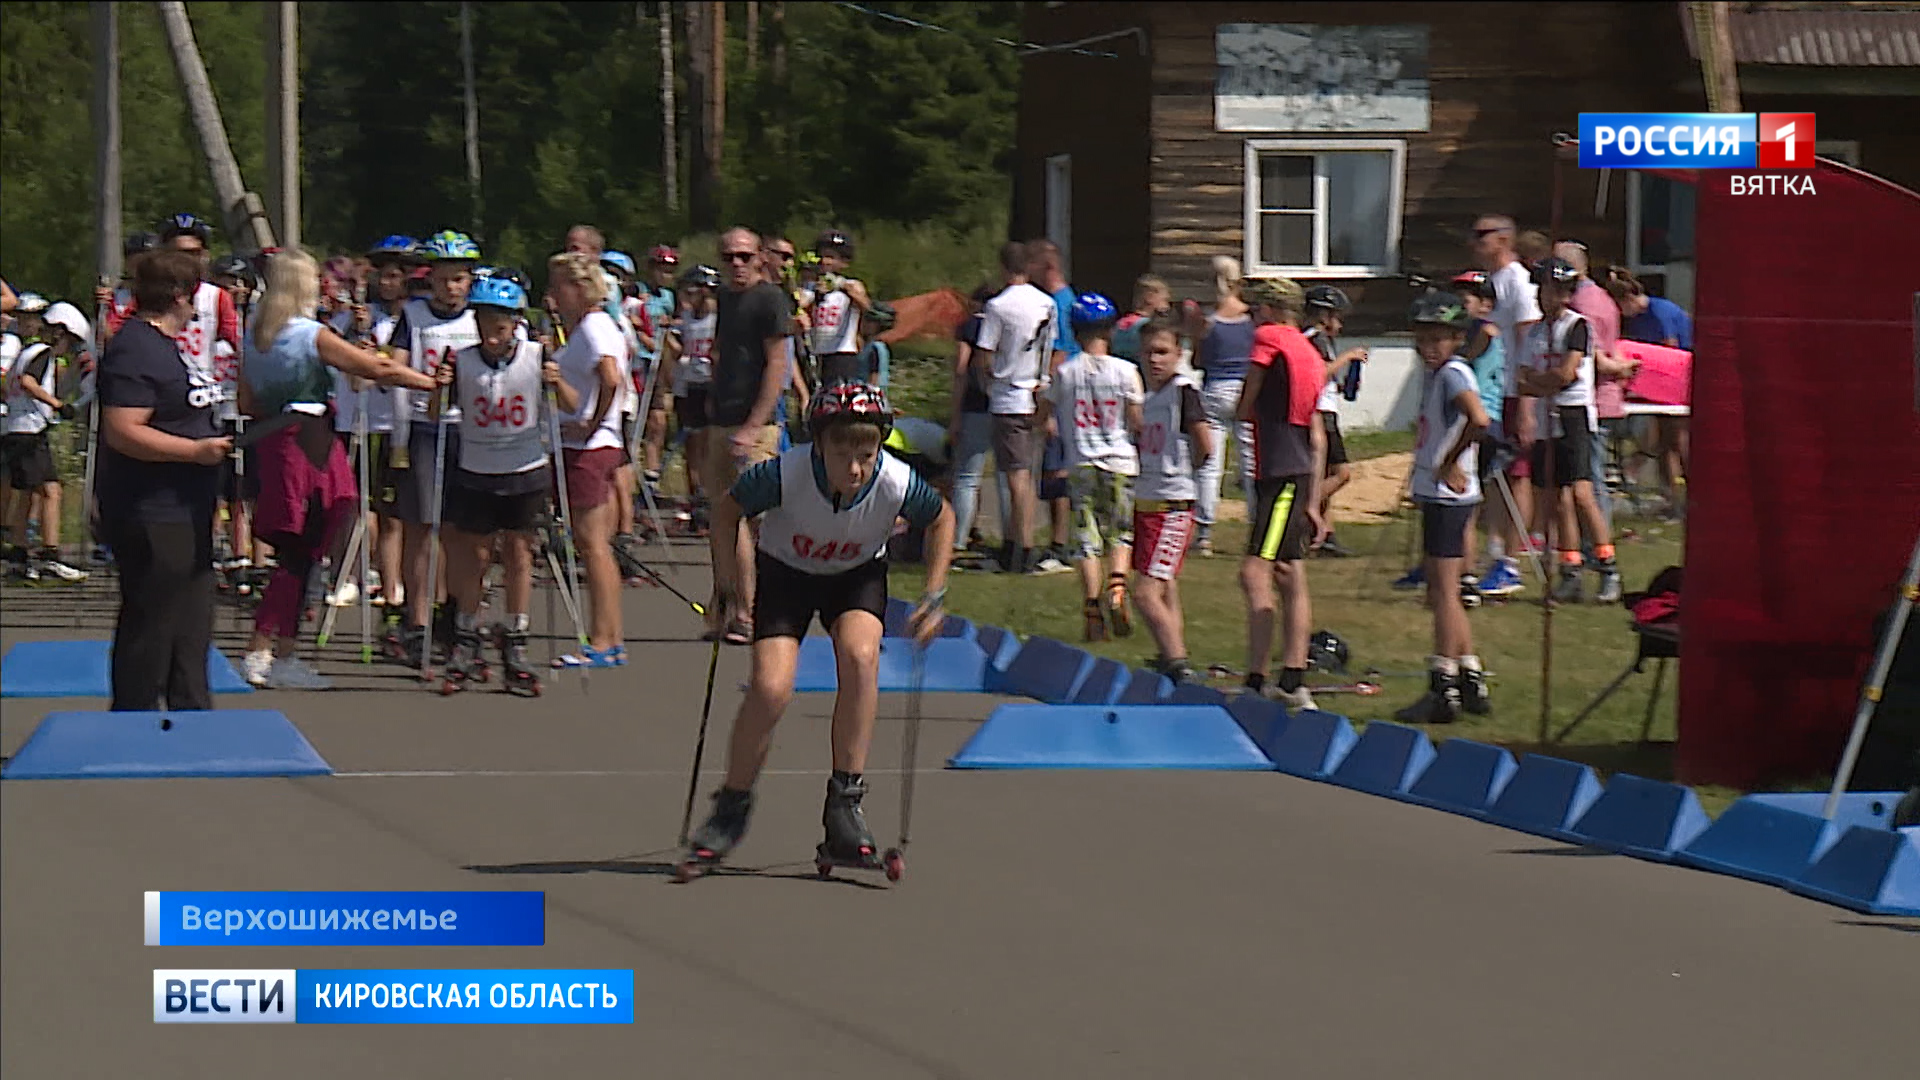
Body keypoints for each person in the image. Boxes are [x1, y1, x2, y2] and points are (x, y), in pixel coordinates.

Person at [681, 381, 954, 873]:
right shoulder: (784, 474)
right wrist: (725, 584)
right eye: (841, 450)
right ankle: (730, 808)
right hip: (787, 576)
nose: (855, 467)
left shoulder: (894, 480)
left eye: (866, 452)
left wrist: (934, 594)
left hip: (856, 577)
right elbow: (727, 510)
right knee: (770, 688)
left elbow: (942, 519)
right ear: (818, 445)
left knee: (860, 656)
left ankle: (845, 806)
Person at [239, 250, 434, 688]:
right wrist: (432, 382)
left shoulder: (255, 335)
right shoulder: (310, 334)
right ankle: (262, 648)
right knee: (301, 549)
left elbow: (245, 402)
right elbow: (375, 368)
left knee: (303, 549)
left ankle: (281, 650)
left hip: (274, 436)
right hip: (308, 438)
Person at [95, 249, 235, 711]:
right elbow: (123, 430)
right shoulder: (136, 346)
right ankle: (133, 712)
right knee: (152, 616)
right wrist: (194, 452)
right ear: (179, 296)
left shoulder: (169, 346)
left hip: (188, 504)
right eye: (196, 291)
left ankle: (190, 708)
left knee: (192, 618)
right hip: (152, 507)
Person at [431, 274, 566, 695]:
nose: (493, 332)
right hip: (477, 468)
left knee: (519, 554)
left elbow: (572, 405)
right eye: (486, 322)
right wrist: (439, 386)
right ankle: (466, 635)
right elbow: (436, 412)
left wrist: (556, 382)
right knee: (476, 555)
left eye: (502, 324)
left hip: (525, 469)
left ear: (516, 324)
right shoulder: (462, 360)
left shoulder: (536, 356)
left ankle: (516, 636)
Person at [1393, 294, 1493, 725]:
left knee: (1443, 594)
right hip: (1437, 493)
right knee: (1443, 590)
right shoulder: (1437, 375)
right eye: (1422, 339)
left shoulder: (1453, 373)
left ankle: (1442, 682)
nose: (1428, 347)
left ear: (1456, 339)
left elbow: (1480, 420)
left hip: (1448, 496)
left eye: (1438, 339)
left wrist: (1450, 462)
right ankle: (1470, 675)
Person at [386, 230, 484, 666]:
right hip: (426, 427)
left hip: (474, 431)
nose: (452, 287)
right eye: (444, 278)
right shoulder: (414, 315)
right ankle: (417, 617)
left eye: (460, 279)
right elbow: (395, 364)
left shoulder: (481, 317)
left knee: (461, 530)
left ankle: (456, 613)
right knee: (421, 526)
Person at [1237, 276, 1328, 710]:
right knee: (1291, 573)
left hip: (1278, 471)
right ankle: (1293, 677)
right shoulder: (1308, 351)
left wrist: (1238, 412)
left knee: (1255, 572)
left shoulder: (1269, 338)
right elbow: (1316, 433)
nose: (1253, 315)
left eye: (1257, 307)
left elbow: (1248, 392)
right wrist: (1313, 499)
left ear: (1271, 310)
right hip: (1297, 468)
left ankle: (1257, 676)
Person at [1513, 258, 1622, 604]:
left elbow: (1566, 374)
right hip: (1548, 418)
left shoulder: (1578, 326)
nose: (1551, 297)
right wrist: (1544, 383)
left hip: (1573, 415)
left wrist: (1542, 383)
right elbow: (1523, 378)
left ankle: (1608, 566)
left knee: (1581, 493)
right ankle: (1570, 569)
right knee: (1557, 499)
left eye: (1559, 291)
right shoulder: (1533, 331)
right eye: (1546, 290)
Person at [706, 226, 795, 644]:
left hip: (754, 425)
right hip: (721, 417)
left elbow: (777, 364)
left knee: (745, 517)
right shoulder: (726, 297)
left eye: (744, 256)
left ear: (760, 256)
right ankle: (725, 602)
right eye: (729, 257)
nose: (737, 265)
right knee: (721, 519)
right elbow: (723, 350)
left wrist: (754, 426)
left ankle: (749, 611)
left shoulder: (770, 299)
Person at [1039, 292, 1144, 642]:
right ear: (1110, 329)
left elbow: (1046, 416)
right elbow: (1137, 419)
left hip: (1081, 461)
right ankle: (1116, 587)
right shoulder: (1127, 372)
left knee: (1086, 538)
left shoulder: (1066, 373)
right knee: (1120, 532)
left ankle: (1091, 606)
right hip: (1119, 460)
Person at [547, 250, 631, 667]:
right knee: (596, 544)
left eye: (560, 285)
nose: (554, 294)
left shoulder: (595, 327)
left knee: (592, 542)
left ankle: (601, 639)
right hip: (594, 441)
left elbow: (611, 377)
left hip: (590, 446)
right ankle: (610, 637)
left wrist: (589, 421)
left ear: (578, 289)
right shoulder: (586, 328)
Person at [971, 241, 1062, 575]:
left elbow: (984, 352)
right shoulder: (1047, 303)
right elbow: (1052, 348)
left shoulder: (998, 306)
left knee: (1016, 476)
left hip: (1009, 393)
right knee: (1027, 468)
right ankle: (1015, 541)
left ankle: (1021, 546)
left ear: (1003, 267)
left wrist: (989, 379)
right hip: (1037, 391)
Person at [1129, 318, 1212, 683]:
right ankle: (1170, 653)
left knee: (1145, 592)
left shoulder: (1183, 392)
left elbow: (1204, 442)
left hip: (1172, 505)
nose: (1154, 360)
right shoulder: (1146, 397)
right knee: (1165, 587)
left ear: (1179, 355)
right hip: (1146, 501)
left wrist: (1184, 473)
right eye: (1148, 353)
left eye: (1162, 352)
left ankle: (1178, 662)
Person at [1469, 214, 1541, 599]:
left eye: (1483, 236)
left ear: (1503, 239)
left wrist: (1527, 405)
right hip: (1493, 391)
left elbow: (1527, 341)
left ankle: (1511, 560)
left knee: (1516, 475)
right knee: (1495, 475)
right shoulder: (1492, 283)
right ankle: (1496, 550)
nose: (1476, 242)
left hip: (1515, 391)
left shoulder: (1517, 281)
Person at [2, 302, 91, 583]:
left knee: (27, 492)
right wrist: (56, 404)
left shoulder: (24, 352)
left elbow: (10, 386)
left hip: (16, 429)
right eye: (70, 341)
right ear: (59, 333)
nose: (68, 348)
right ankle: (51, 555)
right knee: (52, 492)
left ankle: (18, 556)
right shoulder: (42, 352)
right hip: (29, 432)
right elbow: (29, 382)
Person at [1193, 256, 1254, 557]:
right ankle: (1257, 526)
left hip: (1215, 387)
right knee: (1251, 460)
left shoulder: (1208, 321)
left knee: (1209, 463)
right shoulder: (1251, 319)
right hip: (1246, 387)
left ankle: (1204, 531)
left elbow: (1197, 361)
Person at [1301, 285, 1368, 557]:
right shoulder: (1313, 338)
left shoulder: (1322, 341)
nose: (1339, 324)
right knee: (1342, 474)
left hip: (1327, 409)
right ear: (1323, 315)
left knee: (1328, 473)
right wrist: (1347, 357)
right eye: (1337, 317)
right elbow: (1317, 374)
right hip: (1320, 414)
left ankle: (1325, 535)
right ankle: (1305, 509)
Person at [947, 283, 1005, 565]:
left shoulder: (969, 326)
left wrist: (955, 414)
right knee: (1007, 477)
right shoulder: (1007, 322)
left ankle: (956, 539)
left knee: (968, 477)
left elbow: (961, 368)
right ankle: (1012, 539)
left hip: (974, 406)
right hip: (1008, 405)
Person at [667, 264, 720, 516]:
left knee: (710, 443)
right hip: (689, 385)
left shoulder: (719, 319)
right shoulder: (687, 319)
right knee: (692, 443)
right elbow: (680, 352)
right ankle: (696, 495)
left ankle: (712, 495)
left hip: (712, 384)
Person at [802, 230, 874, 386]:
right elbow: (798, 305)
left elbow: (867, 307)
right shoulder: (810, 287)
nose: (824, 261)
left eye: (830, 257)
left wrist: (840, 286)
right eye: (821, 256)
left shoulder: (852, 285)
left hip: (842, 352)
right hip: (818, 352)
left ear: (843, 262)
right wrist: (815, 292)